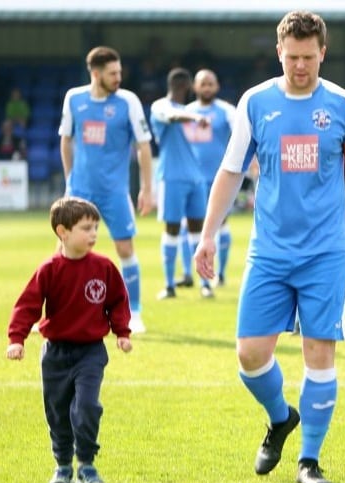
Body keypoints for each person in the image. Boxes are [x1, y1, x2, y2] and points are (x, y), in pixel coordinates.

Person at [194, 11, 345, 483]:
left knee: (320, 352)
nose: (301, 66)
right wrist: (208, 234)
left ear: (323, 52)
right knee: (250, 356)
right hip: (269, 251)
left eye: (309, 57)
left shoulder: (343, 105)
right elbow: (231, 171)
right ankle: (281, 418)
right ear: (279, 53)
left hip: (325, 251)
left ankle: (309, 460)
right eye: (292, 57)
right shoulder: (255, 102)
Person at [6, 197, 133, 483]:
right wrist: (17, 339)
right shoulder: (49, 269)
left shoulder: (104, 267)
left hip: (90, 352)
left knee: (87, 407)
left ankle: (87, 465)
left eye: (95, 228)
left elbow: (117, 300)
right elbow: (27, 306)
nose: (93, 234)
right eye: (86, 228)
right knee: (57, 411)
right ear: (63, 232)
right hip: (55, 354)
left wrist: (122, 332)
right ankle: (63, 465)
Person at [59, 46, 153, 334]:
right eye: (113, 73)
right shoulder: (74, 99)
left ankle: (133, 312)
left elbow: (143, 146)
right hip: (80, 190)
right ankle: (58, 314)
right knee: (63, 251)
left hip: (114, 191)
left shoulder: (128, 102)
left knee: (125, 248)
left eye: (120, 72)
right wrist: (69, 182)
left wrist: (147, 189)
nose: (118, 78)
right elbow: (66, 140)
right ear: (96, 74)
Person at [172, 69, 239, 289]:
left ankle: (220, 273)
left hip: (218, 178)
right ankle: (187, 272)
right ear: (195, 87)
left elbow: (240, 136)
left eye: (211, 83)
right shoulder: (186, 113)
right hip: (191, 178)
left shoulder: (227, 111)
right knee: (187, 224)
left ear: (217, 86)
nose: (207, 87)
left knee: (221, 223)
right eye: (203, 84)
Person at [150, 67, 212, 300]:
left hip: (195, 177)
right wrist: (196, 117)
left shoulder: (189, 110)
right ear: (185, 87)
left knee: (198, 231)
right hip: (171, 176)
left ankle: (204, 284)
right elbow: (171, 117)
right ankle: (169, 285)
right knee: (172, 229)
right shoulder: (161, 107)